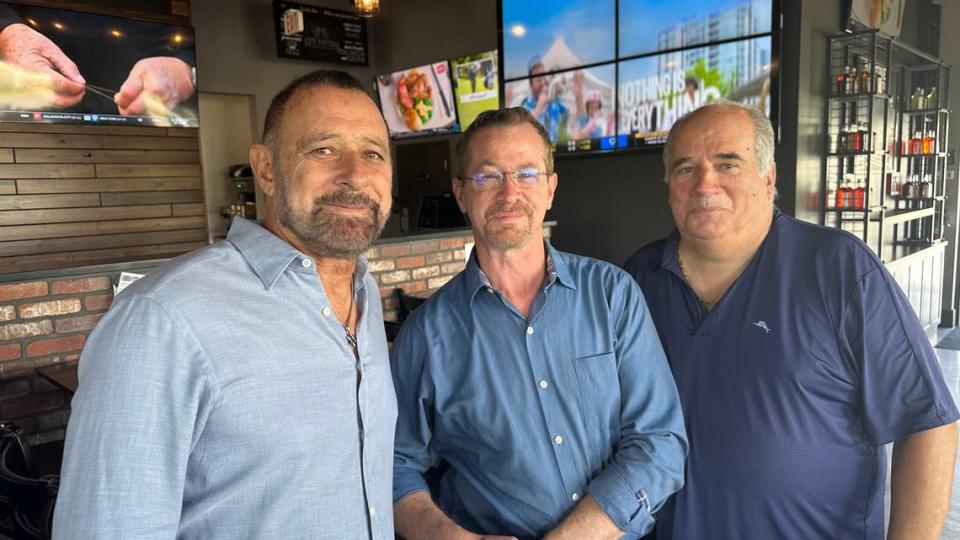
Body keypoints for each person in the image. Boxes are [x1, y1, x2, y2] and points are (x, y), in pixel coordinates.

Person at [54, 70, 397, 539]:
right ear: (267, 168)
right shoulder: (161, 320)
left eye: (373, 153)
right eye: (324, 149)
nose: (355, 174)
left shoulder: (364, 291)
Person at [624, 100, 959, 540]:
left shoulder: (837, 267)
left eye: (728, 163)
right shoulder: (635, 281)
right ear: (669, 186)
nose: (706, 183)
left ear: (768, 177)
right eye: (686, 168)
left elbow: (926, 422)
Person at [391, 107, 687, 540]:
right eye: (488, 176)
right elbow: (395, 465)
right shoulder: (426, 334)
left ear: (550, 189)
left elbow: (660, 441)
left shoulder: (612, 295)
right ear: (460, 193)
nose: (509, 192)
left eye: (527, 173)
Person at [0, 4, 195, 116]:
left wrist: (185, 67)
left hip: (148, 121)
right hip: (28, 113)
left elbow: (208, 34)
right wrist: (8, 31)